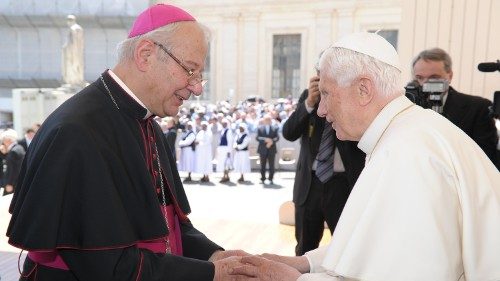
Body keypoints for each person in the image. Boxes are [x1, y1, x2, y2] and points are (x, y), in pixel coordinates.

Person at [231, 32, 500, 281]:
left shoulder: (407, 153)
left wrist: (293, 278)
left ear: (363, 89)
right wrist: (304, 263)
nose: (321, 110)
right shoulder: (403, 134)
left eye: (326, 94)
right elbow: (373, 244)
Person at [7, 4, 246, 280]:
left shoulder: (147, 125)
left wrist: (215, 256)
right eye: (190, 70)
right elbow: (108, 266)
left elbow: (168, 224)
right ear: (146, 55)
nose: (197, 87)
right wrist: (210, 274)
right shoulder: (76, 133)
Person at [282, 72, 365, 256]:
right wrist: (310, 103)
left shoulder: (353, 97)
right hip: (309, 186)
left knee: (346, 249)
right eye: (320, 74)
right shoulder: (309, 96)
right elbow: (289, 133)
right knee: (304, 248)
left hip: (343, 185)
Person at [412, 47, 499, 169]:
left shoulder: (478, 107)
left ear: (450, 76)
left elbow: (486, 160)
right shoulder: (407, 108)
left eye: (434, 77)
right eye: (420, 78)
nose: (425, 84)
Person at [1, 129, 26, 196]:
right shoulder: (19, 147)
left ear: (8, 140)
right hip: (17, 182)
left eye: (3, 140)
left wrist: (10, 183)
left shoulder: (13, 151)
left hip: (12, 184)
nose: (3, 142)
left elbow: (13, 169)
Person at [62, 14, 85, 86]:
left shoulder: (72, 29)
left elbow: (72, 42)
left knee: (72, 66)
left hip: (72, 52)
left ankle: (73, 81)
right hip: (79, 51)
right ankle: (78, 80)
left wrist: (65, 48)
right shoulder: (80, 28)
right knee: (79, 65)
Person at [256, 114, 279, 185]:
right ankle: (263, 178)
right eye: (266, 120)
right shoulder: (260, 128)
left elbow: (277, 137)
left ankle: (271, 179)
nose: (267, 121)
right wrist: (265, 140)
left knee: (271, 165)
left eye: (269, 120)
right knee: (262, 165)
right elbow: (257, 138)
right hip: (262, 149)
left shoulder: (274, 128)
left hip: (272, 149)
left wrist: (271, 142)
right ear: (264, 120)